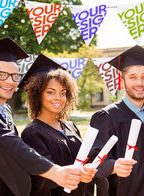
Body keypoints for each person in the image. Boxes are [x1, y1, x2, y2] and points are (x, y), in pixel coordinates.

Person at [0, 37, 83, 196]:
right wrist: (55, 172)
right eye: (1, 75)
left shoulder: (4, 110)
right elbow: (9, 144)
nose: (10, 81)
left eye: (14, 75)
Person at [89, 45, 144, 196]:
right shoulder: (106, 117)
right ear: (121, 79)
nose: (139, 83)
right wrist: (114, 165)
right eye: (133, 77)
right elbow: (92, 163)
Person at [18, 53, 97, 196]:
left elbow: (82, 161)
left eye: (63, 93)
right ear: (37, 94)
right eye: (50, 92)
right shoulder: (32, 133)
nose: (58, 98)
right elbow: (40, 178)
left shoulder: (70, 127)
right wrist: (77, 174)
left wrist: (88, 170)